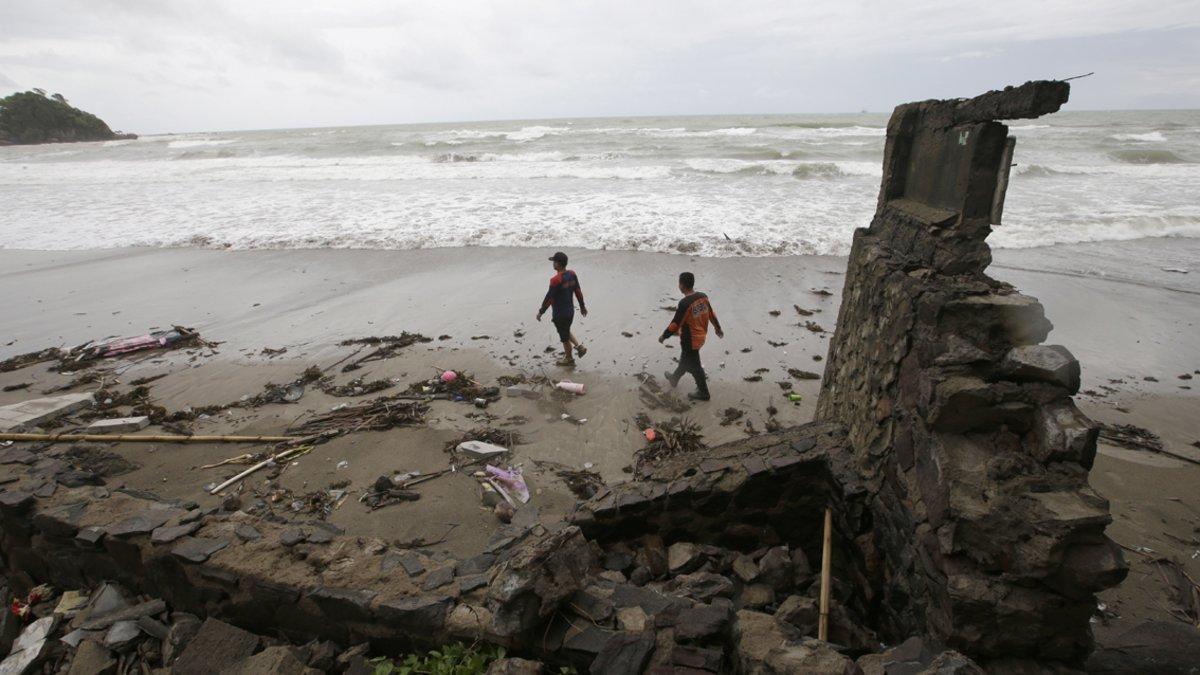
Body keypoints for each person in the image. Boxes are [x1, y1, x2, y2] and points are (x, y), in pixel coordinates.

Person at [659, 271, 723, 401]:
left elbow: (675, 324)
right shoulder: (703, 297)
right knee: (685, 360)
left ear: (682, 285)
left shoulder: (685, 303)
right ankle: (674, 378)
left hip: (690, 340)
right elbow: (711, 314)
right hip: (701, 336)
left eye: (679, 283)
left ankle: (703, 392)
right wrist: (718, 328)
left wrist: (664, 336)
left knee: (695, 366)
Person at [536, 251, 588, 366]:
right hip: (570, 311)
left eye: (554, 261)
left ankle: (569, 359)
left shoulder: (555, 280)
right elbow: (578, 291)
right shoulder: (572, 274)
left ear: (558, 264)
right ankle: (579, 347)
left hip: (560, 314)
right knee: (566, 330)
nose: (553, 263)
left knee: (564, 338)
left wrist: (541, 312)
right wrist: (582, 306)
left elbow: (549, 298)